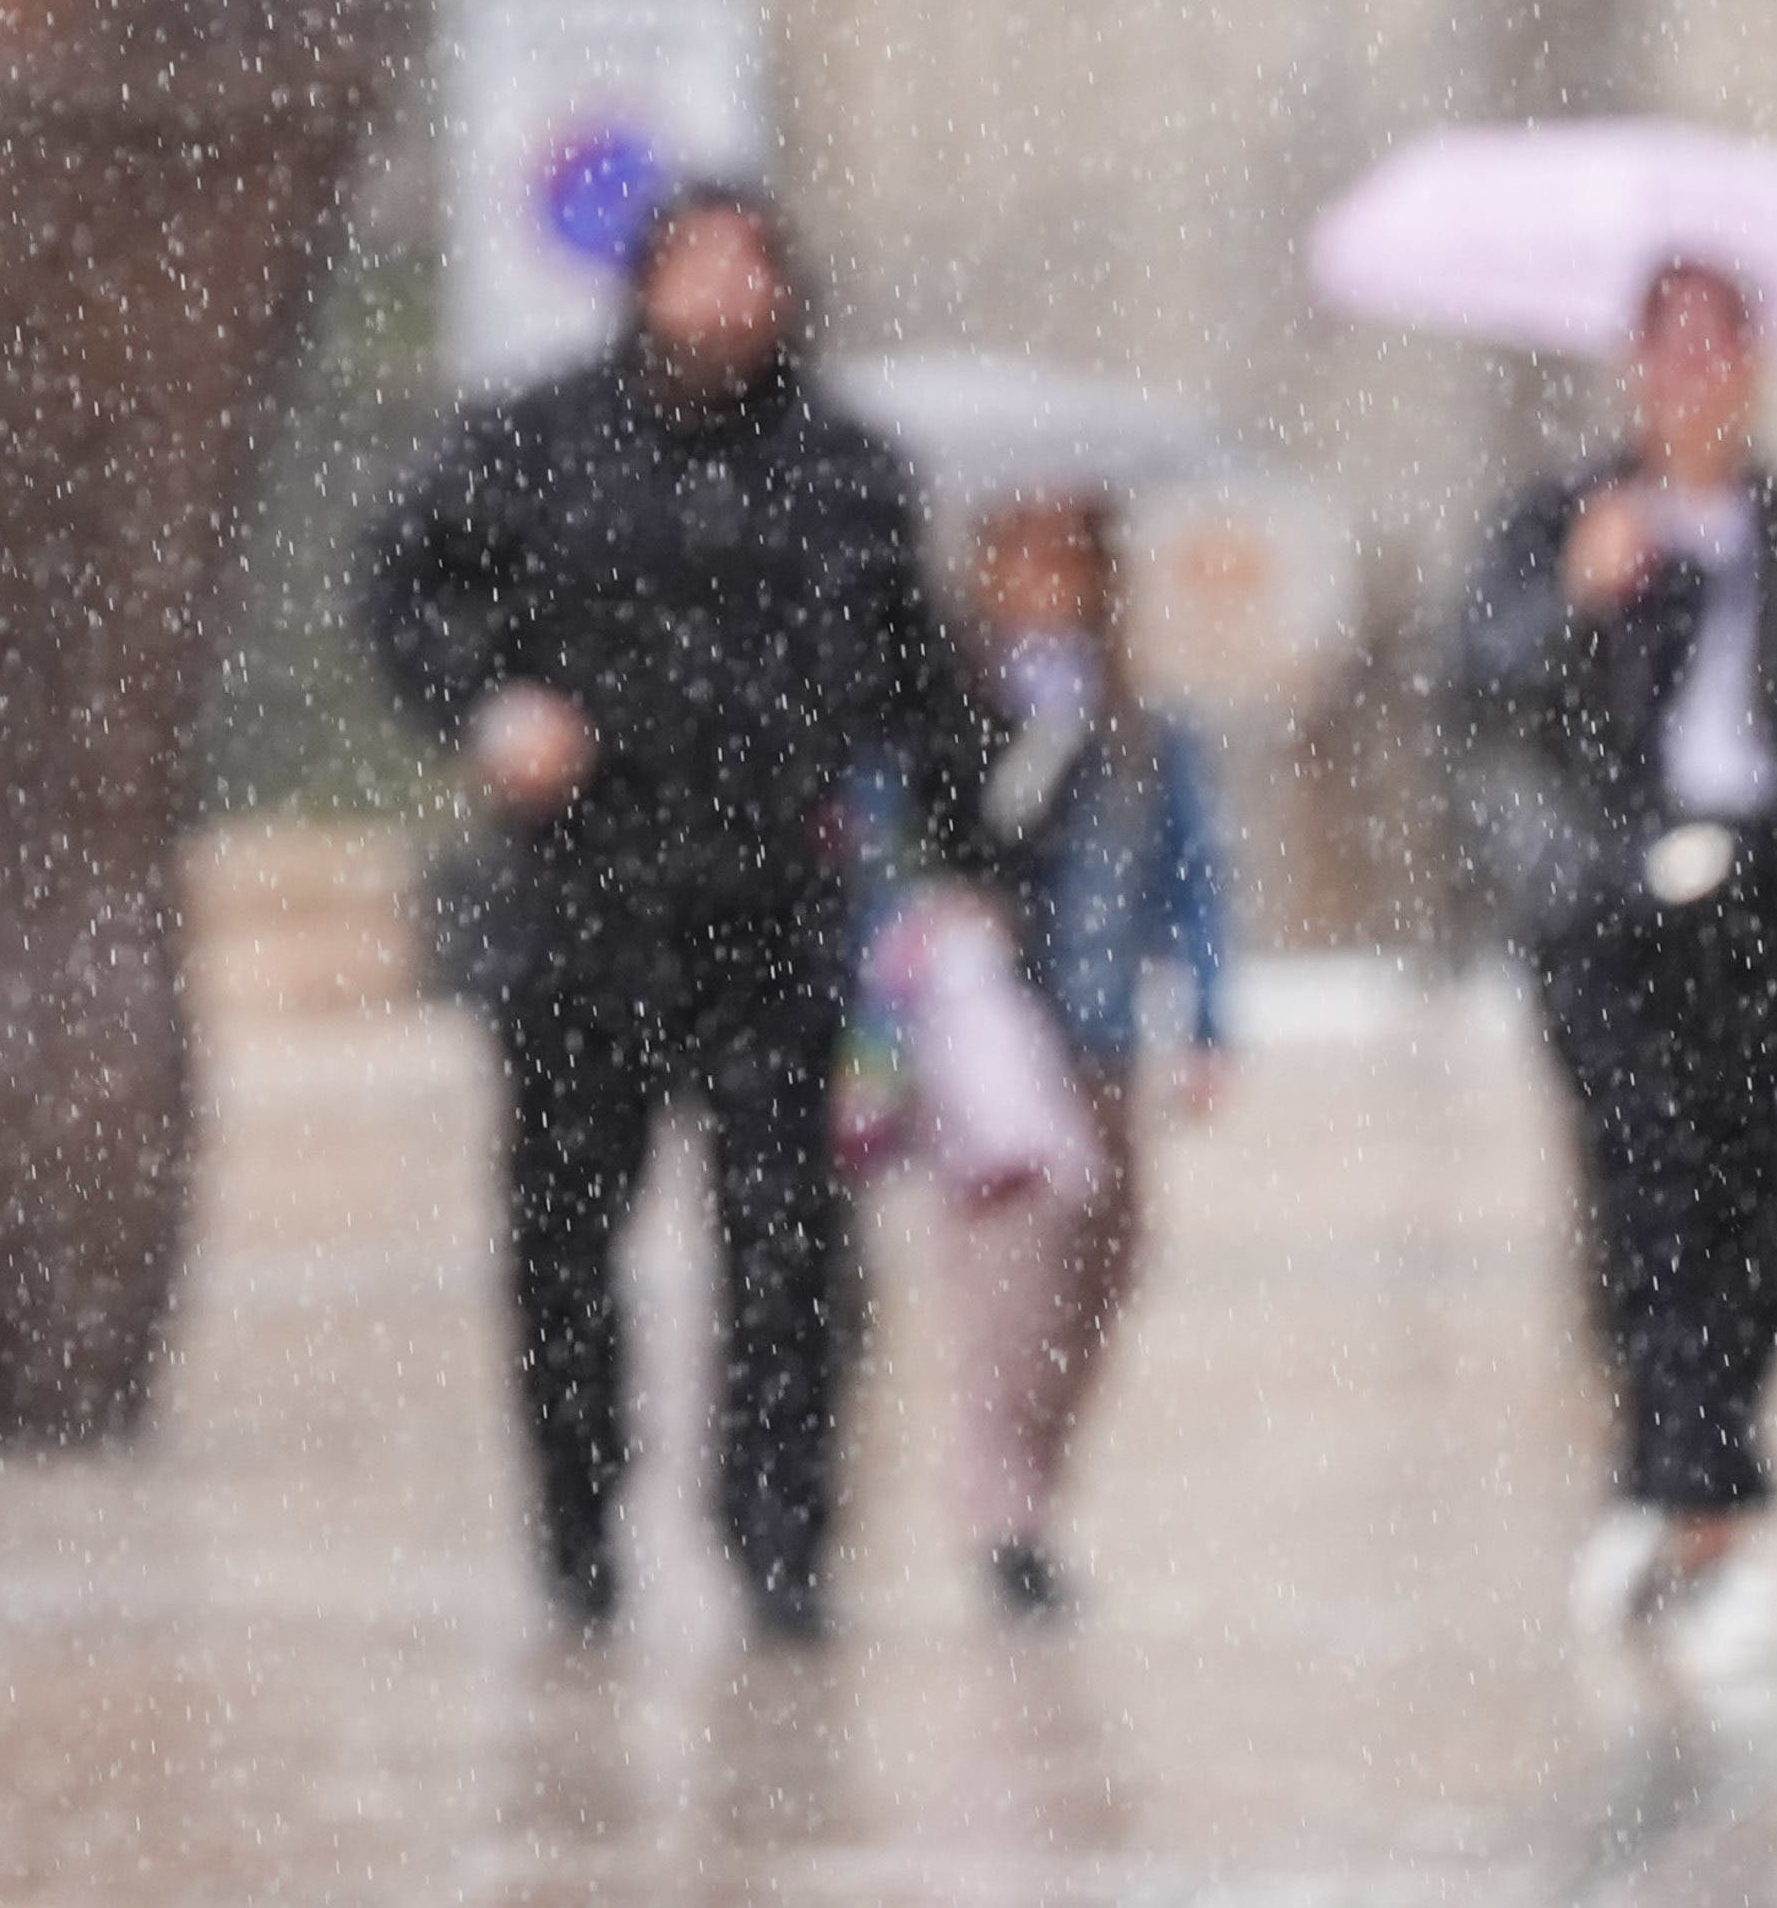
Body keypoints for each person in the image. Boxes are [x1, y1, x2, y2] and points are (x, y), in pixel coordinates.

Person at [357, 184, 990, 1642]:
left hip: (774, 918)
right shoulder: (534, 447)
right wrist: (484, 710)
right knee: (563, 1239)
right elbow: (398, 585)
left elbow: (923, 685)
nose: (723, 293)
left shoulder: (845, 471)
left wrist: (967, 872)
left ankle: (779, 1536)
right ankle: (578, 1530)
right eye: (695, 265)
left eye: (751, 264)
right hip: (582, 911)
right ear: (642, 285)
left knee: (790, 1249)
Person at [1456, 257, 1777, 1642]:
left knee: (1767, 1207)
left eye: (1716, 344)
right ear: (1631, 363)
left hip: (1769, 897)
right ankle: (1693, 1503)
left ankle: (1683, 1471)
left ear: (1753, 361)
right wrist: (1578, 595)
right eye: (1667, 346)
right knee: (1650, 1192)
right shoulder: (1564, 515)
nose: (1692, 373)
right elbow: (1485, 690)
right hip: (1615, 902)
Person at [942, 492, 1234, 1625]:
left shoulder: (1138, 728)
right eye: (1023, 548)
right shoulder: (951, 711)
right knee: (1009, 1288)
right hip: (990, 1048)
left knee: (1104, 1269)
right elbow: (895, 850)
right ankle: (1000, 1507)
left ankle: (1035, 1486)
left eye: (1068, 552)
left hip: (1102, 1034)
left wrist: (1207, 1019)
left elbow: (1194, 878)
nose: (1046, 575)